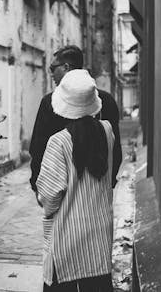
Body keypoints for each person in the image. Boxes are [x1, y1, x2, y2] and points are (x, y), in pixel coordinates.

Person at [36, 70, 115, 291]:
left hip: (67, 236)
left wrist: (48, 210)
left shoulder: (58, 142)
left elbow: (50, 196)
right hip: (99, 234)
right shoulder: (107, 132)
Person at [29, 45, 122, 194]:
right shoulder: (107, 101)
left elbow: (38, 149)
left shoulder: (50, 103)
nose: (51, 74)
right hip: (99, 195)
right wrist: (108, 183)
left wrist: (38, 187)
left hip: (61, 193)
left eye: (53, 69)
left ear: (66, 67)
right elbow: (115, 150)